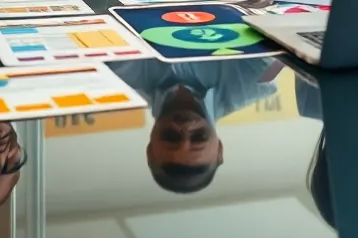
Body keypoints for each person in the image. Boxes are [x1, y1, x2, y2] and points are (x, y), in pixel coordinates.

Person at [110, 58, 280, 193]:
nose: (185, 127)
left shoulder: (116, 78)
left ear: (150, 148)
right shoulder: (258, 84)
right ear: (219, 148)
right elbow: (272, 31)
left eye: (171, 136)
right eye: (199, 136)